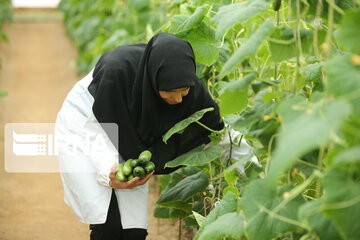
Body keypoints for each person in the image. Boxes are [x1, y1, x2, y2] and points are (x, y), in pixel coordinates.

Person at [55, 32, 224, 240]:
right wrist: (108, 173)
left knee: (133, 229)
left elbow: (215, 126)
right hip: (86, 123)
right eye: (170, 91)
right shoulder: (115, 71)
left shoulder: (184, 78)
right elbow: (97, 131)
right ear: (154, 80)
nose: (179, 99)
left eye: (184, 90)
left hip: (131, 138)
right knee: (107, 222)